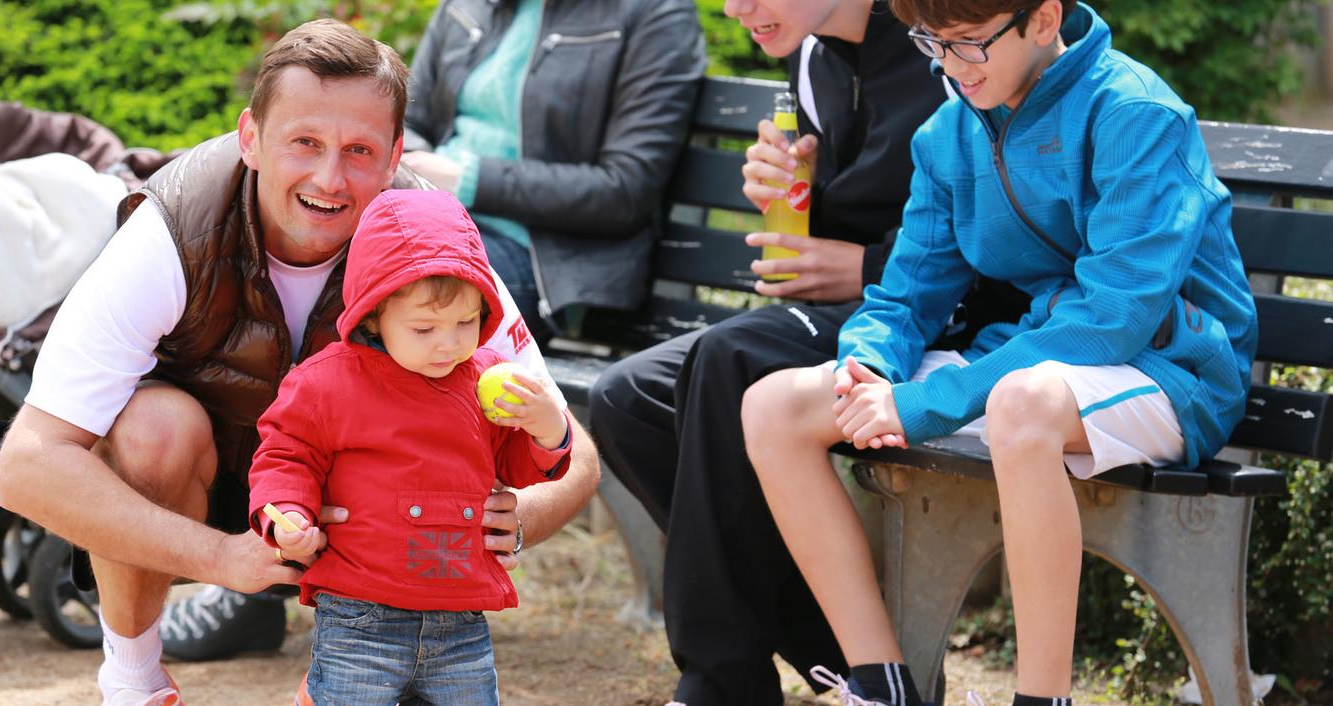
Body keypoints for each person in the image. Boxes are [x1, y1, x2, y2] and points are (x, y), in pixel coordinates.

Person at [0, 20, 602, 706]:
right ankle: (134, 679)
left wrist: (524, 512)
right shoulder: (171, 228)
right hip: (205, 489)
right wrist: (223, 557)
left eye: (360, 150)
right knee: (152, 428)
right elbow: (28, 466)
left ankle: (338, 679)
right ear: (251, 138)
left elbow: (572, 449)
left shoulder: (432, 244)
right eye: (304, 143)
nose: (328, 177)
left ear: (397, 155)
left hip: (360, 513)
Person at [739, 1, 1256, 704]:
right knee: (775, 406)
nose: (948, 66)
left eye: (969, 45)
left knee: (1019, 403)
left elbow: (1114, 318)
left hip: (1171, 371)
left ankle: (1042, 699)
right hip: (1040, 365)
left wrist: (919, 403)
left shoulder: (1135, 113)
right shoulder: (950, 133)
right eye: (932, 43)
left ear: (1042, 19)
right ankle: (881, 684)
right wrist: (871, 368)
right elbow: (905, 297)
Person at [589, 1, 1027, 703]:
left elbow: (1007, 242)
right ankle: (835, 648)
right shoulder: (814, 54)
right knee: (629, 399)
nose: (738, 10)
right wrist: (797, 194)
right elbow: (863, 203)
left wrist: (862, 268)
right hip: (859, 309)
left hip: (944, 320)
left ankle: (722, 682)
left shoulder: (943, 48)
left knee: (727, 360)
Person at [251, 189, 572, 705]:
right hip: (361, 615)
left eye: (467, 322)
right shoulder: (328, 383)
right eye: (424, 328)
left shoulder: (483, 378)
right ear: (374, 315)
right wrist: (286, 513)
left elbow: (516, 465)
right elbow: (286, 456)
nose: (448, 343)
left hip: (461, 619)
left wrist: (547, 430)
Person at [396, 0, 705, 343]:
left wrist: (466, 181)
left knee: (389, 288)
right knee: (340, 259)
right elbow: (404, 118)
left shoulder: (652, 12)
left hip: (543, 258)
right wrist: (416, 171)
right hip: (429, 216)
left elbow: (625, 191)